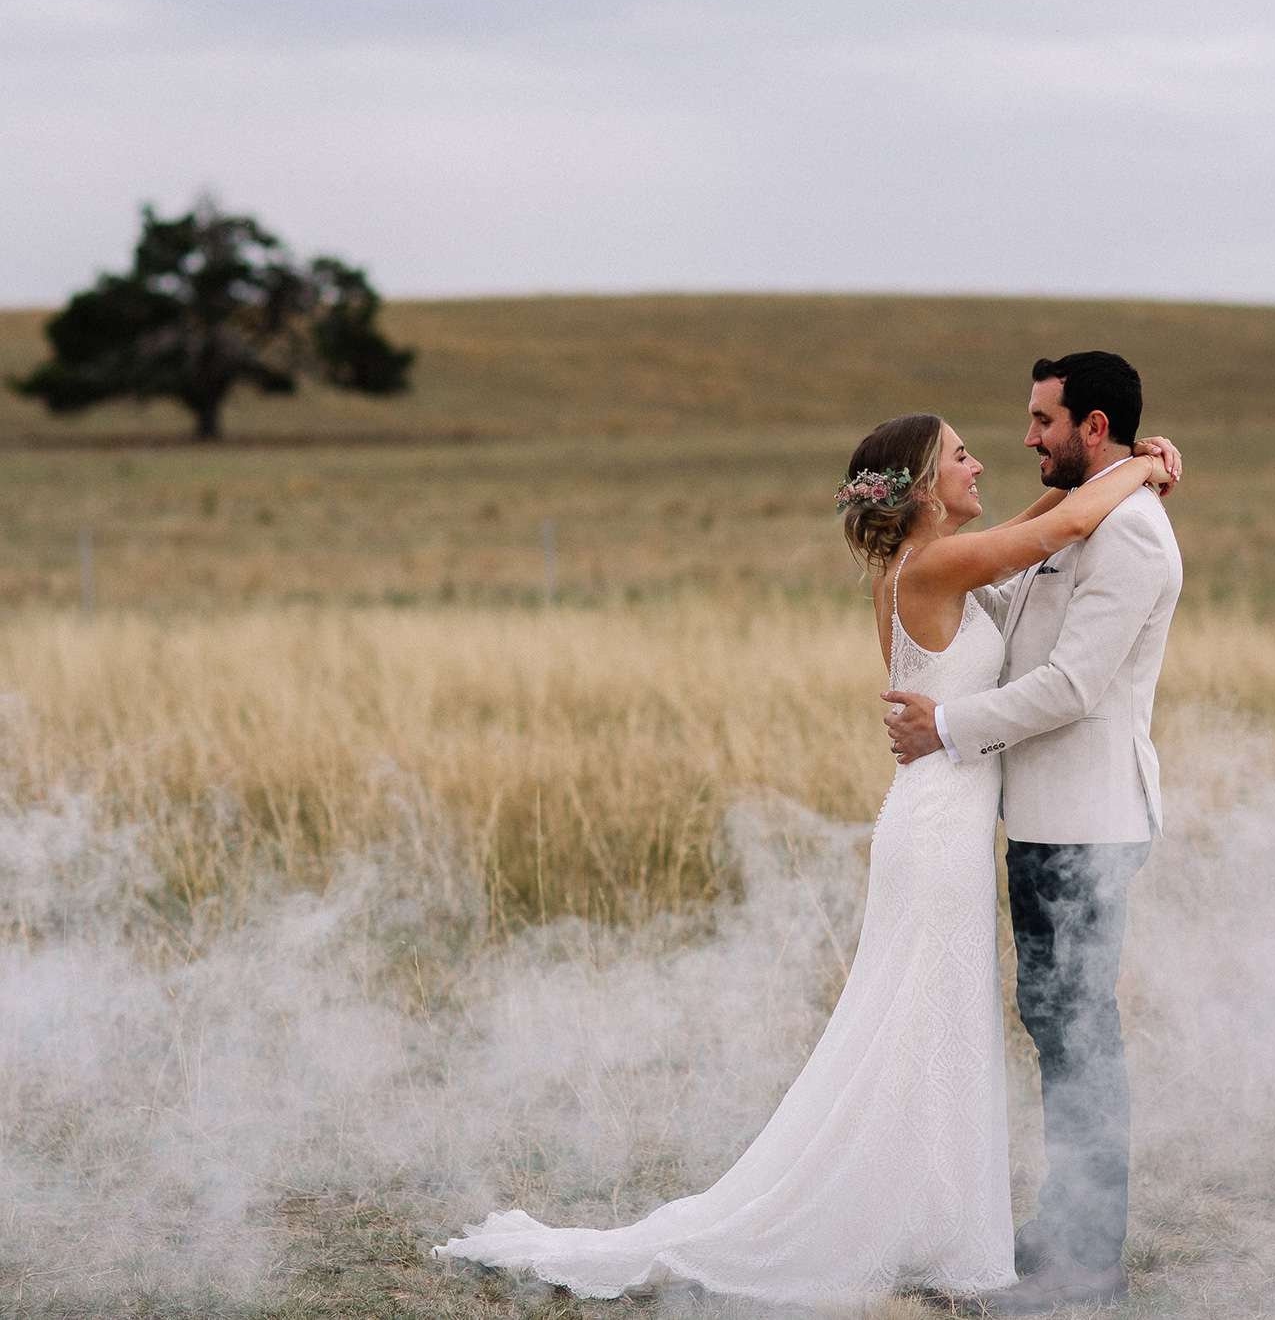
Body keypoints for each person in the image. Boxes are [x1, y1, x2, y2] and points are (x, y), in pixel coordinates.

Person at [431, 409, 1178, 1307]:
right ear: (923, 488)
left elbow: (1035, 522)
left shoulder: (922, 561)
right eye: (962, 455)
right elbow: (1054, 529)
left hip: (937, 818)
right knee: (922, 1026)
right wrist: (1143, 464)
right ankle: (889, 1217)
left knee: (930, 1028)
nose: (982, 462)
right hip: (938, 829)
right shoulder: (934, 565)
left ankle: (927, 1216)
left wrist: (1118, 471)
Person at [885, 351, 1183, 1313]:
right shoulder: (1081, 518)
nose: (1027, 438)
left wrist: (948, 725)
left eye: (1043, 421)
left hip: (1088, 827)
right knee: (1056, 1025)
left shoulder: (1130, 533)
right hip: (1044, 824)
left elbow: (1072, 685)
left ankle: (1088, 1261)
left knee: (1079, 1034)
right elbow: (1012, 604)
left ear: (1094, 426)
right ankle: (1063, 1232)